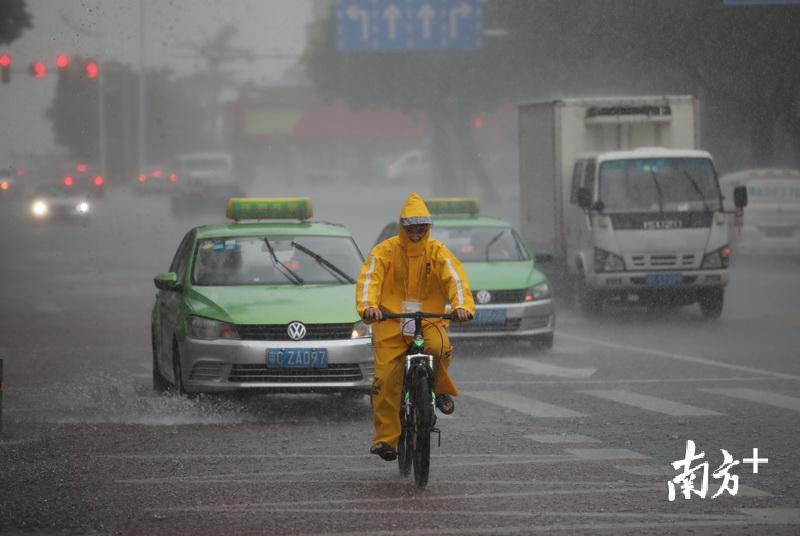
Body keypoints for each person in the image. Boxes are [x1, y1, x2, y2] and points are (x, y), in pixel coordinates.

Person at [356, 192, 474, 461]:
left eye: (421, 228)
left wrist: (462, 306)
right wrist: (368, 306)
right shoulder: (384, 251)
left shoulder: (438, 252)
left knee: (439, 347)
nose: (416, 233)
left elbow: (455, 279)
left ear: (427, 227)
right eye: (411, 228)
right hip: (390, 322)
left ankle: (440, 389)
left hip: (428, 319)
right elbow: (369, 279)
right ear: (403, 227)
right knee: (385, 379)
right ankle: (386, 440)